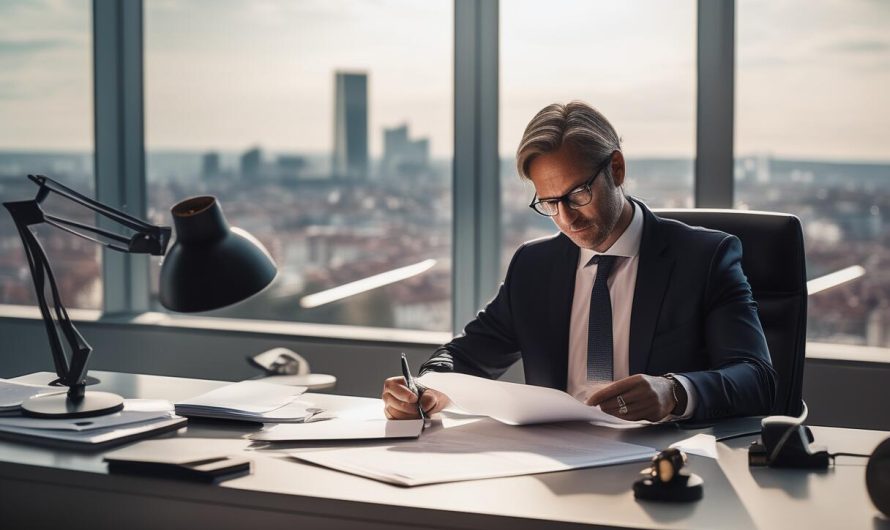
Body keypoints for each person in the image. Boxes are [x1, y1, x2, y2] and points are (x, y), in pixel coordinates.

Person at [382, 101, 777, 423]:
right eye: (549, 203)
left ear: (616, 169)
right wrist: (425, 386)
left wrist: (674, 392)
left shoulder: (704, 258)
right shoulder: (534, 266)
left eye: (577, 194)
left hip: (667, 467)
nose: (566, 218)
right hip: (557, 468)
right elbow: (466, 355)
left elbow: (756, 378)